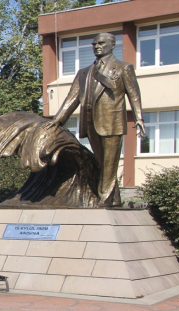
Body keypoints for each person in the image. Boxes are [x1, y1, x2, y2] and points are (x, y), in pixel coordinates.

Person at [49, 32, 144, 207]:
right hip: (91, 123)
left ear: (112, 45)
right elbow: (72, 99)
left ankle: (104, 200)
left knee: (109, 163)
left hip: (112, 123)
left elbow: (134, 95)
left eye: (101, 43)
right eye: (94, 44)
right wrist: (56, 121)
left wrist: (139, 118)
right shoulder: (84, 73)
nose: (97, 46)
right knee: (103, 164)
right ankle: (114, 199)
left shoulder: (123, 68)